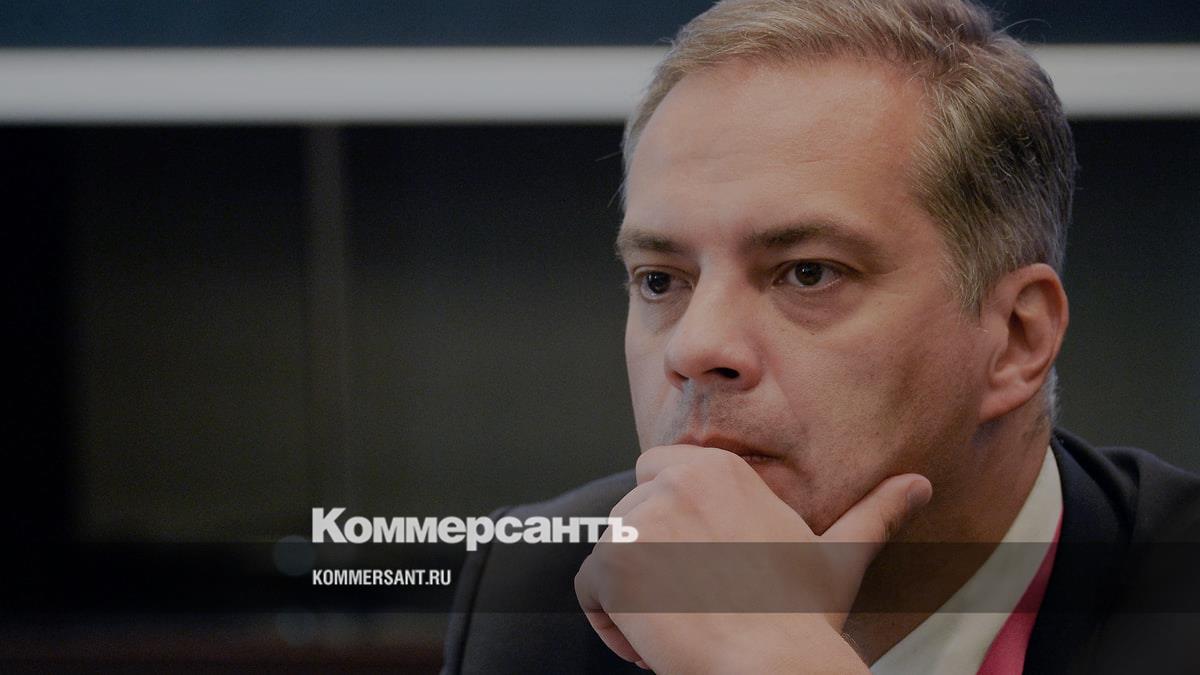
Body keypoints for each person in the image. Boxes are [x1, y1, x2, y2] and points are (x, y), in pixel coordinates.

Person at [442, 0, 1200, 672]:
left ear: (1015, 338)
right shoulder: (542, 586)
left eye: (808, 273)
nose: (694, 348)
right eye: (660, 280)